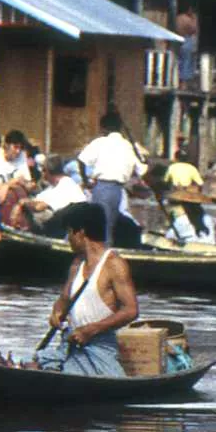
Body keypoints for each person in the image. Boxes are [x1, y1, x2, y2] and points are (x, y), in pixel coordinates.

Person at [34, 203, 138, 376]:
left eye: (69, 232)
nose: (68, 239)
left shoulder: (114, 264)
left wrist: (91, 329)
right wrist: (56, 313)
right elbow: (63, 300)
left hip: (99, 348)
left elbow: (131, 310)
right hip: (70, 344)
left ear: (80, 233)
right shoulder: (77, 264)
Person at [77, 110, 147, 245]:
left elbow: (81, 160)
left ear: (104, 128)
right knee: (108, 226)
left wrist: (86, 181)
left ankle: (99, 255)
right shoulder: (127, 145)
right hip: (118, 191)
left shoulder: (100, 142)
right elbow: (141, 169)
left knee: (99, 228)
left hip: (102, 187)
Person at [23, 158, 88, 232]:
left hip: (73, 229)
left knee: (38, 215)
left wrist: (24, 203)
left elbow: (39, 207)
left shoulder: (66, 184)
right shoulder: (53, 187)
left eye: (43, 169)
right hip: (65, 225)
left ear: (46, 171)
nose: (41, 172)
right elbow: (37, 200)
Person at [0, 128, 34, 195]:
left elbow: (26, 182)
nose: (18, 151)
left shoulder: (21, 156)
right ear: (6, 145)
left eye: (20, 148)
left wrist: (29, 185)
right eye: (15, 147)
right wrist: (12, 183)